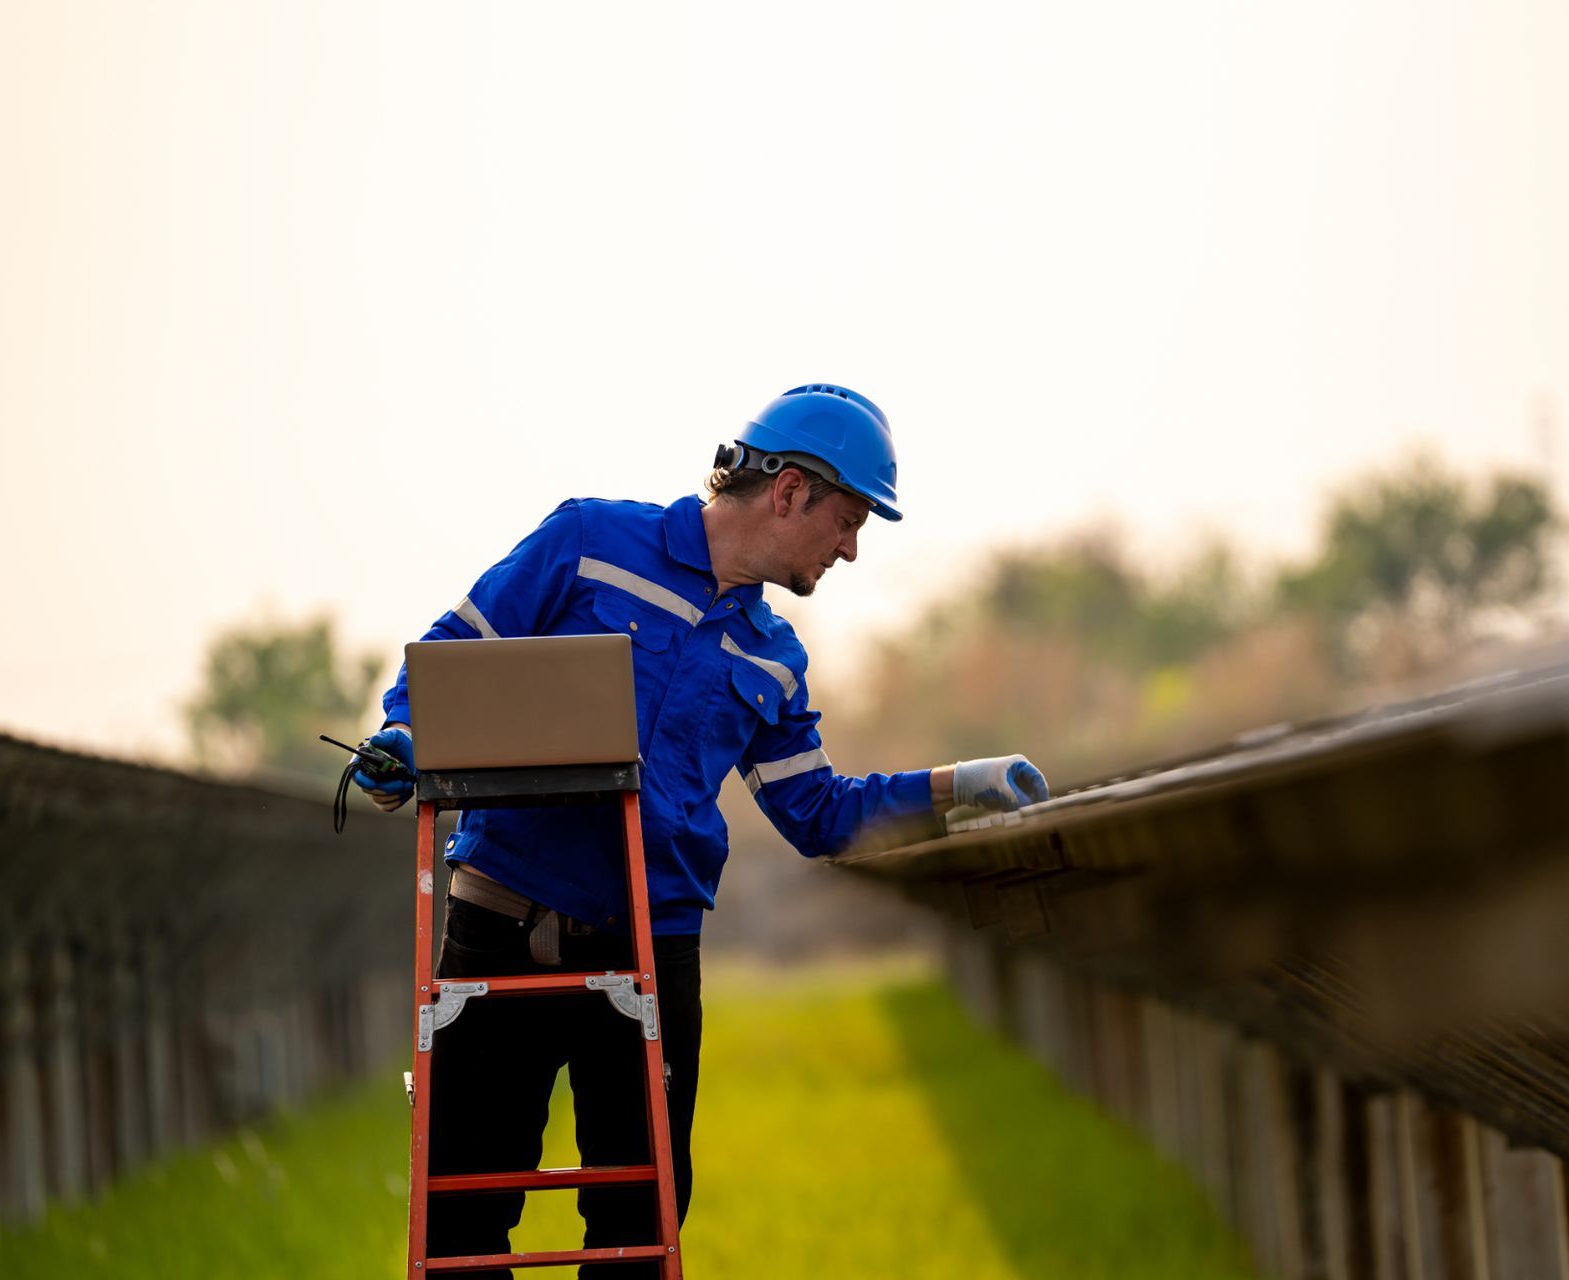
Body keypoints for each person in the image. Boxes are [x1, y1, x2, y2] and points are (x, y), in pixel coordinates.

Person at [353, 383, 1049, 1277]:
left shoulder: (776, 659)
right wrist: (408, 736)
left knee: (640, 1231)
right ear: (791, 491)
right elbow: (453, 650)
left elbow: (821, 814)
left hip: (653, 950)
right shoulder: (589, 544)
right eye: (847, 520)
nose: (851, 548)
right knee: (461, 1218)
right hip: (501, 927)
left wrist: (959, 786)